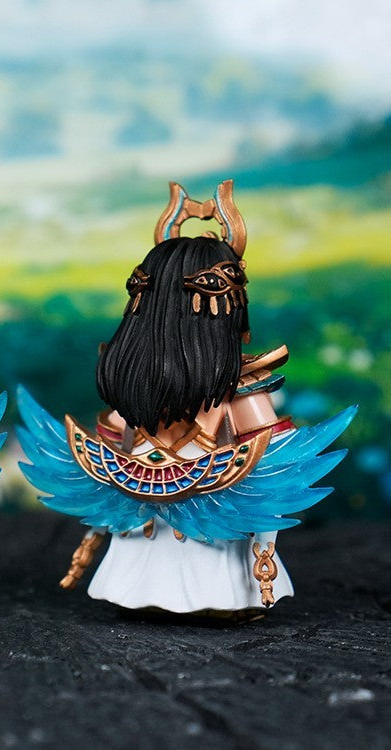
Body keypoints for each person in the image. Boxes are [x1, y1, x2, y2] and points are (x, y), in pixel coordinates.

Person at [17, 180, 354, 618]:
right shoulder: (138, 381)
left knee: (204, 556)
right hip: (145, 509)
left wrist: (263, 549)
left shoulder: (235, 387)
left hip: (212, 516)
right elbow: (112, 442)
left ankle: (210, 594)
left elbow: (272, 464)